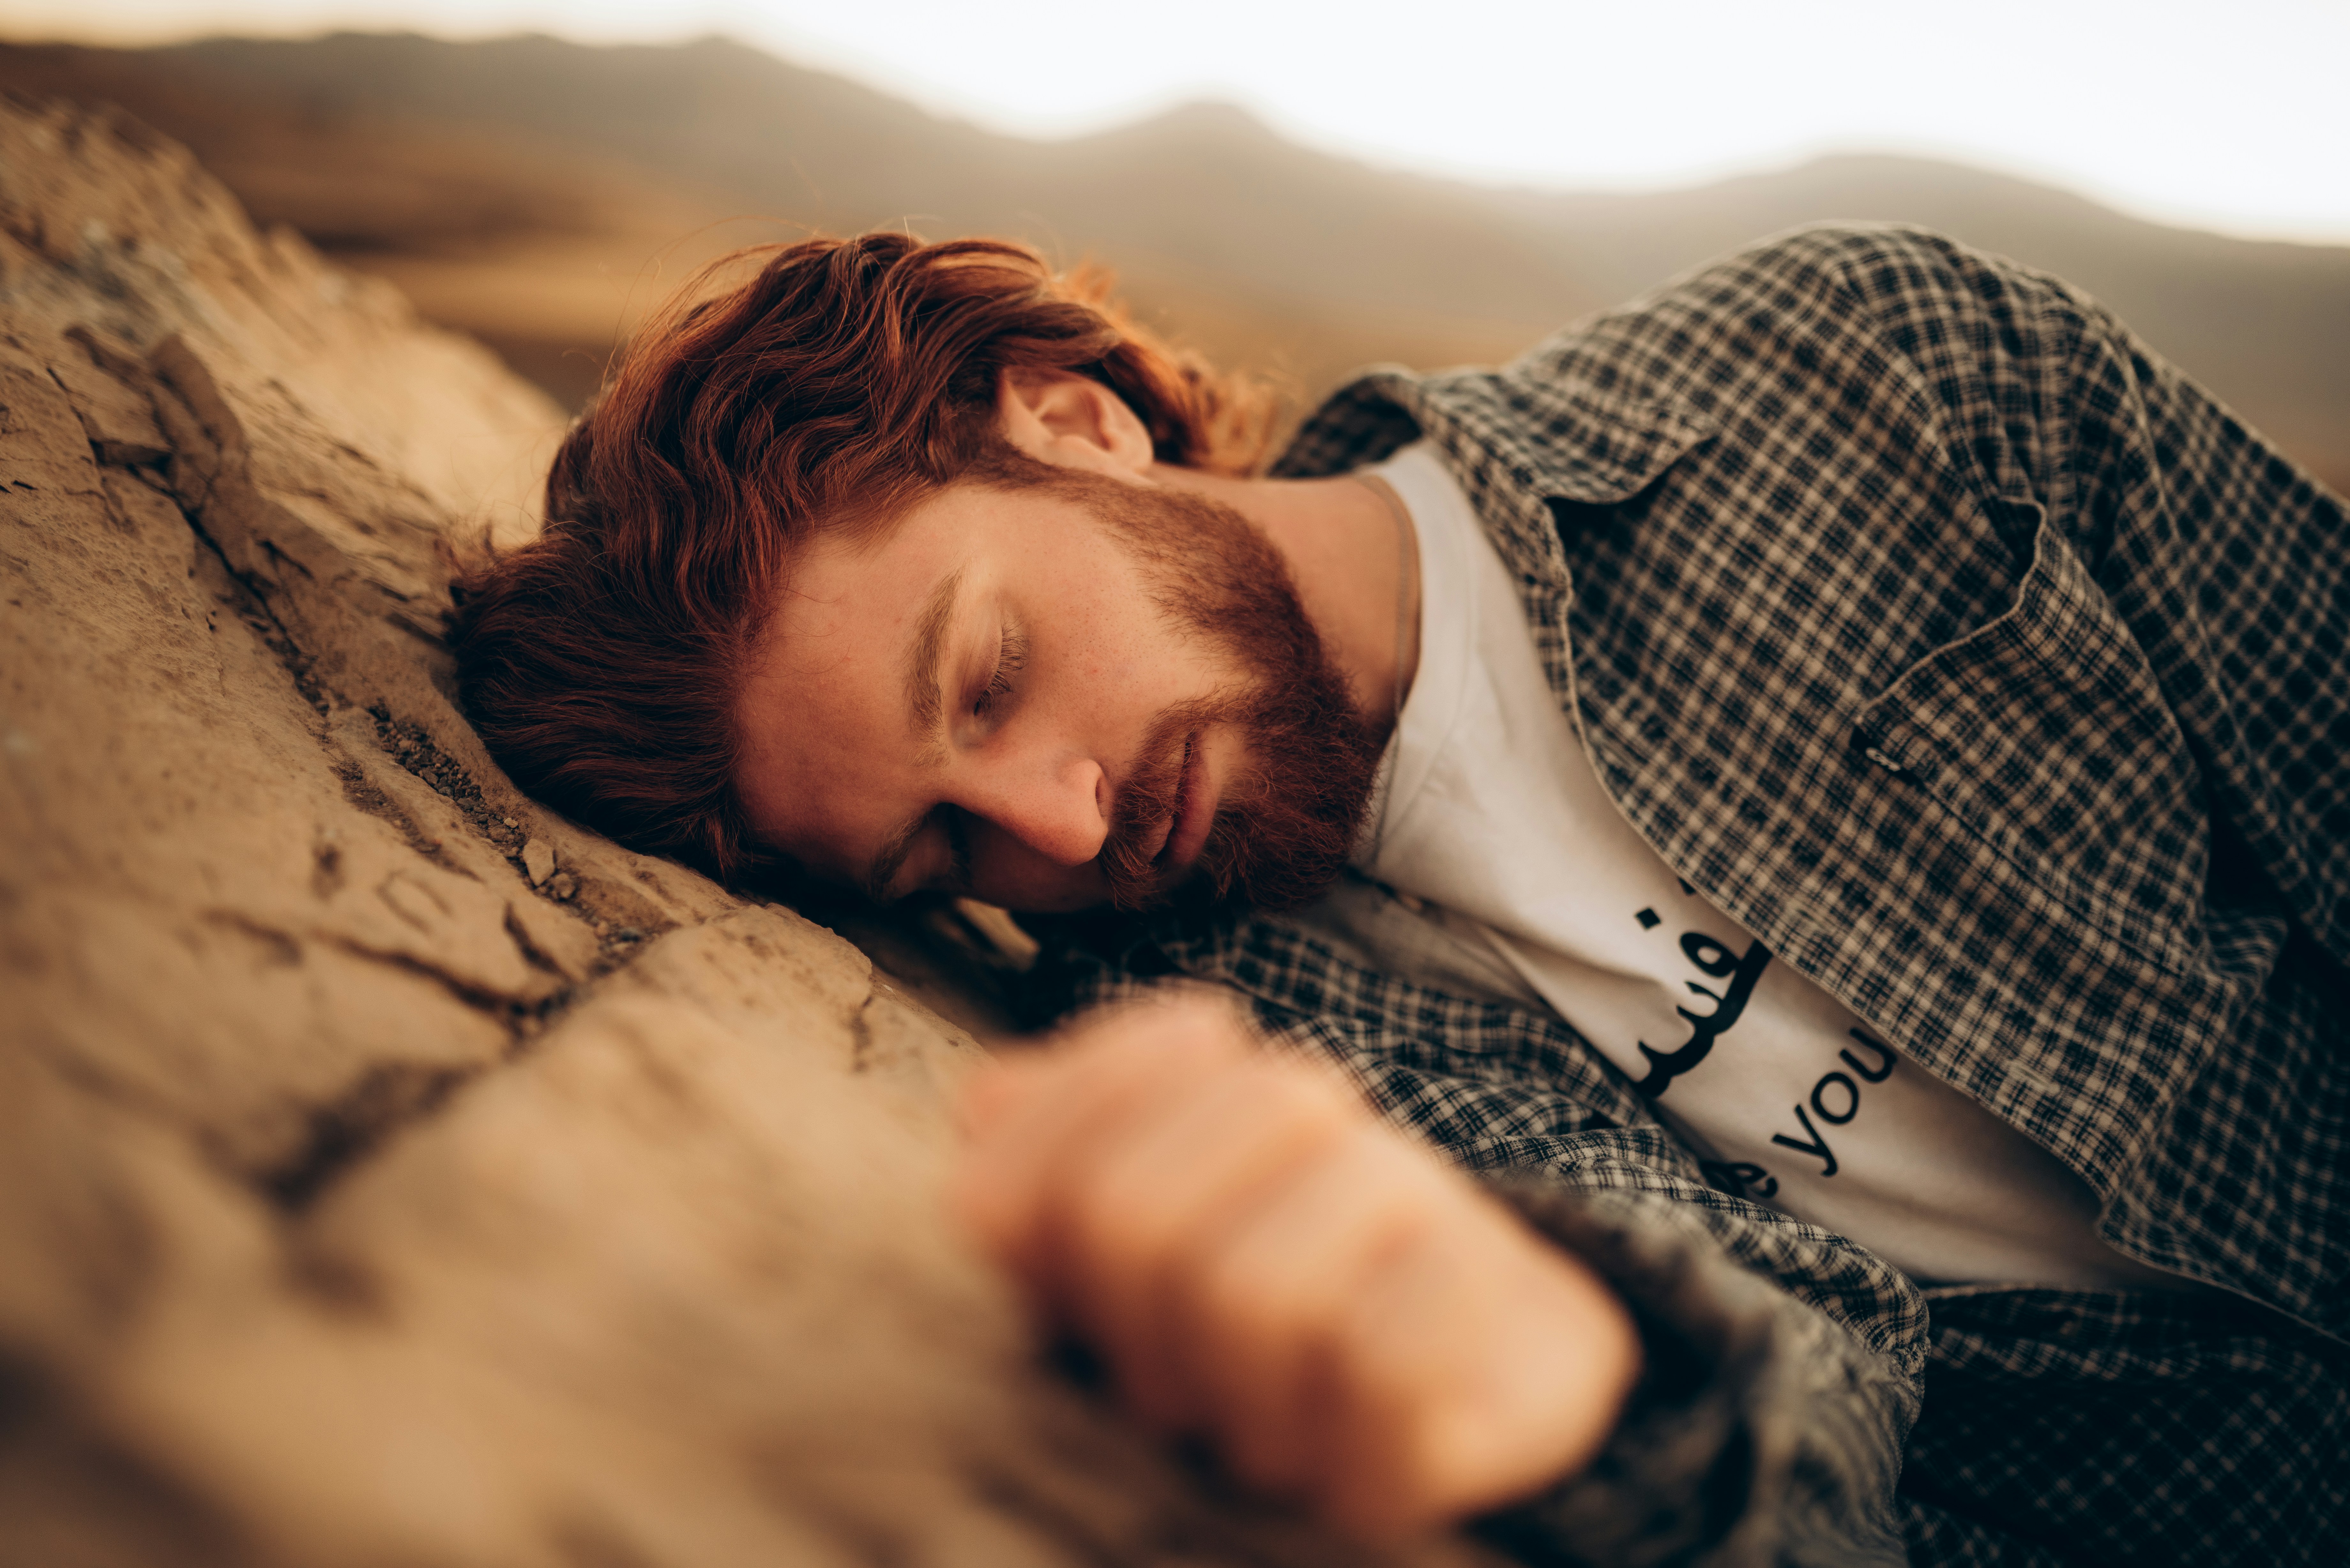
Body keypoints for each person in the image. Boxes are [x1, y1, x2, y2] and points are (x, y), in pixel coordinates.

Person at [449, 222, 2348, 1564]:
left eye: (992, 675)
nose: (1055, 823)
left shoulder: (1866, 374)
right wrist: (1572, 1386)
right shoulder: (1237, 1028)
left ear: (1082, 423)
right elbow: (1803, 1417)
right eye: (939, 850)